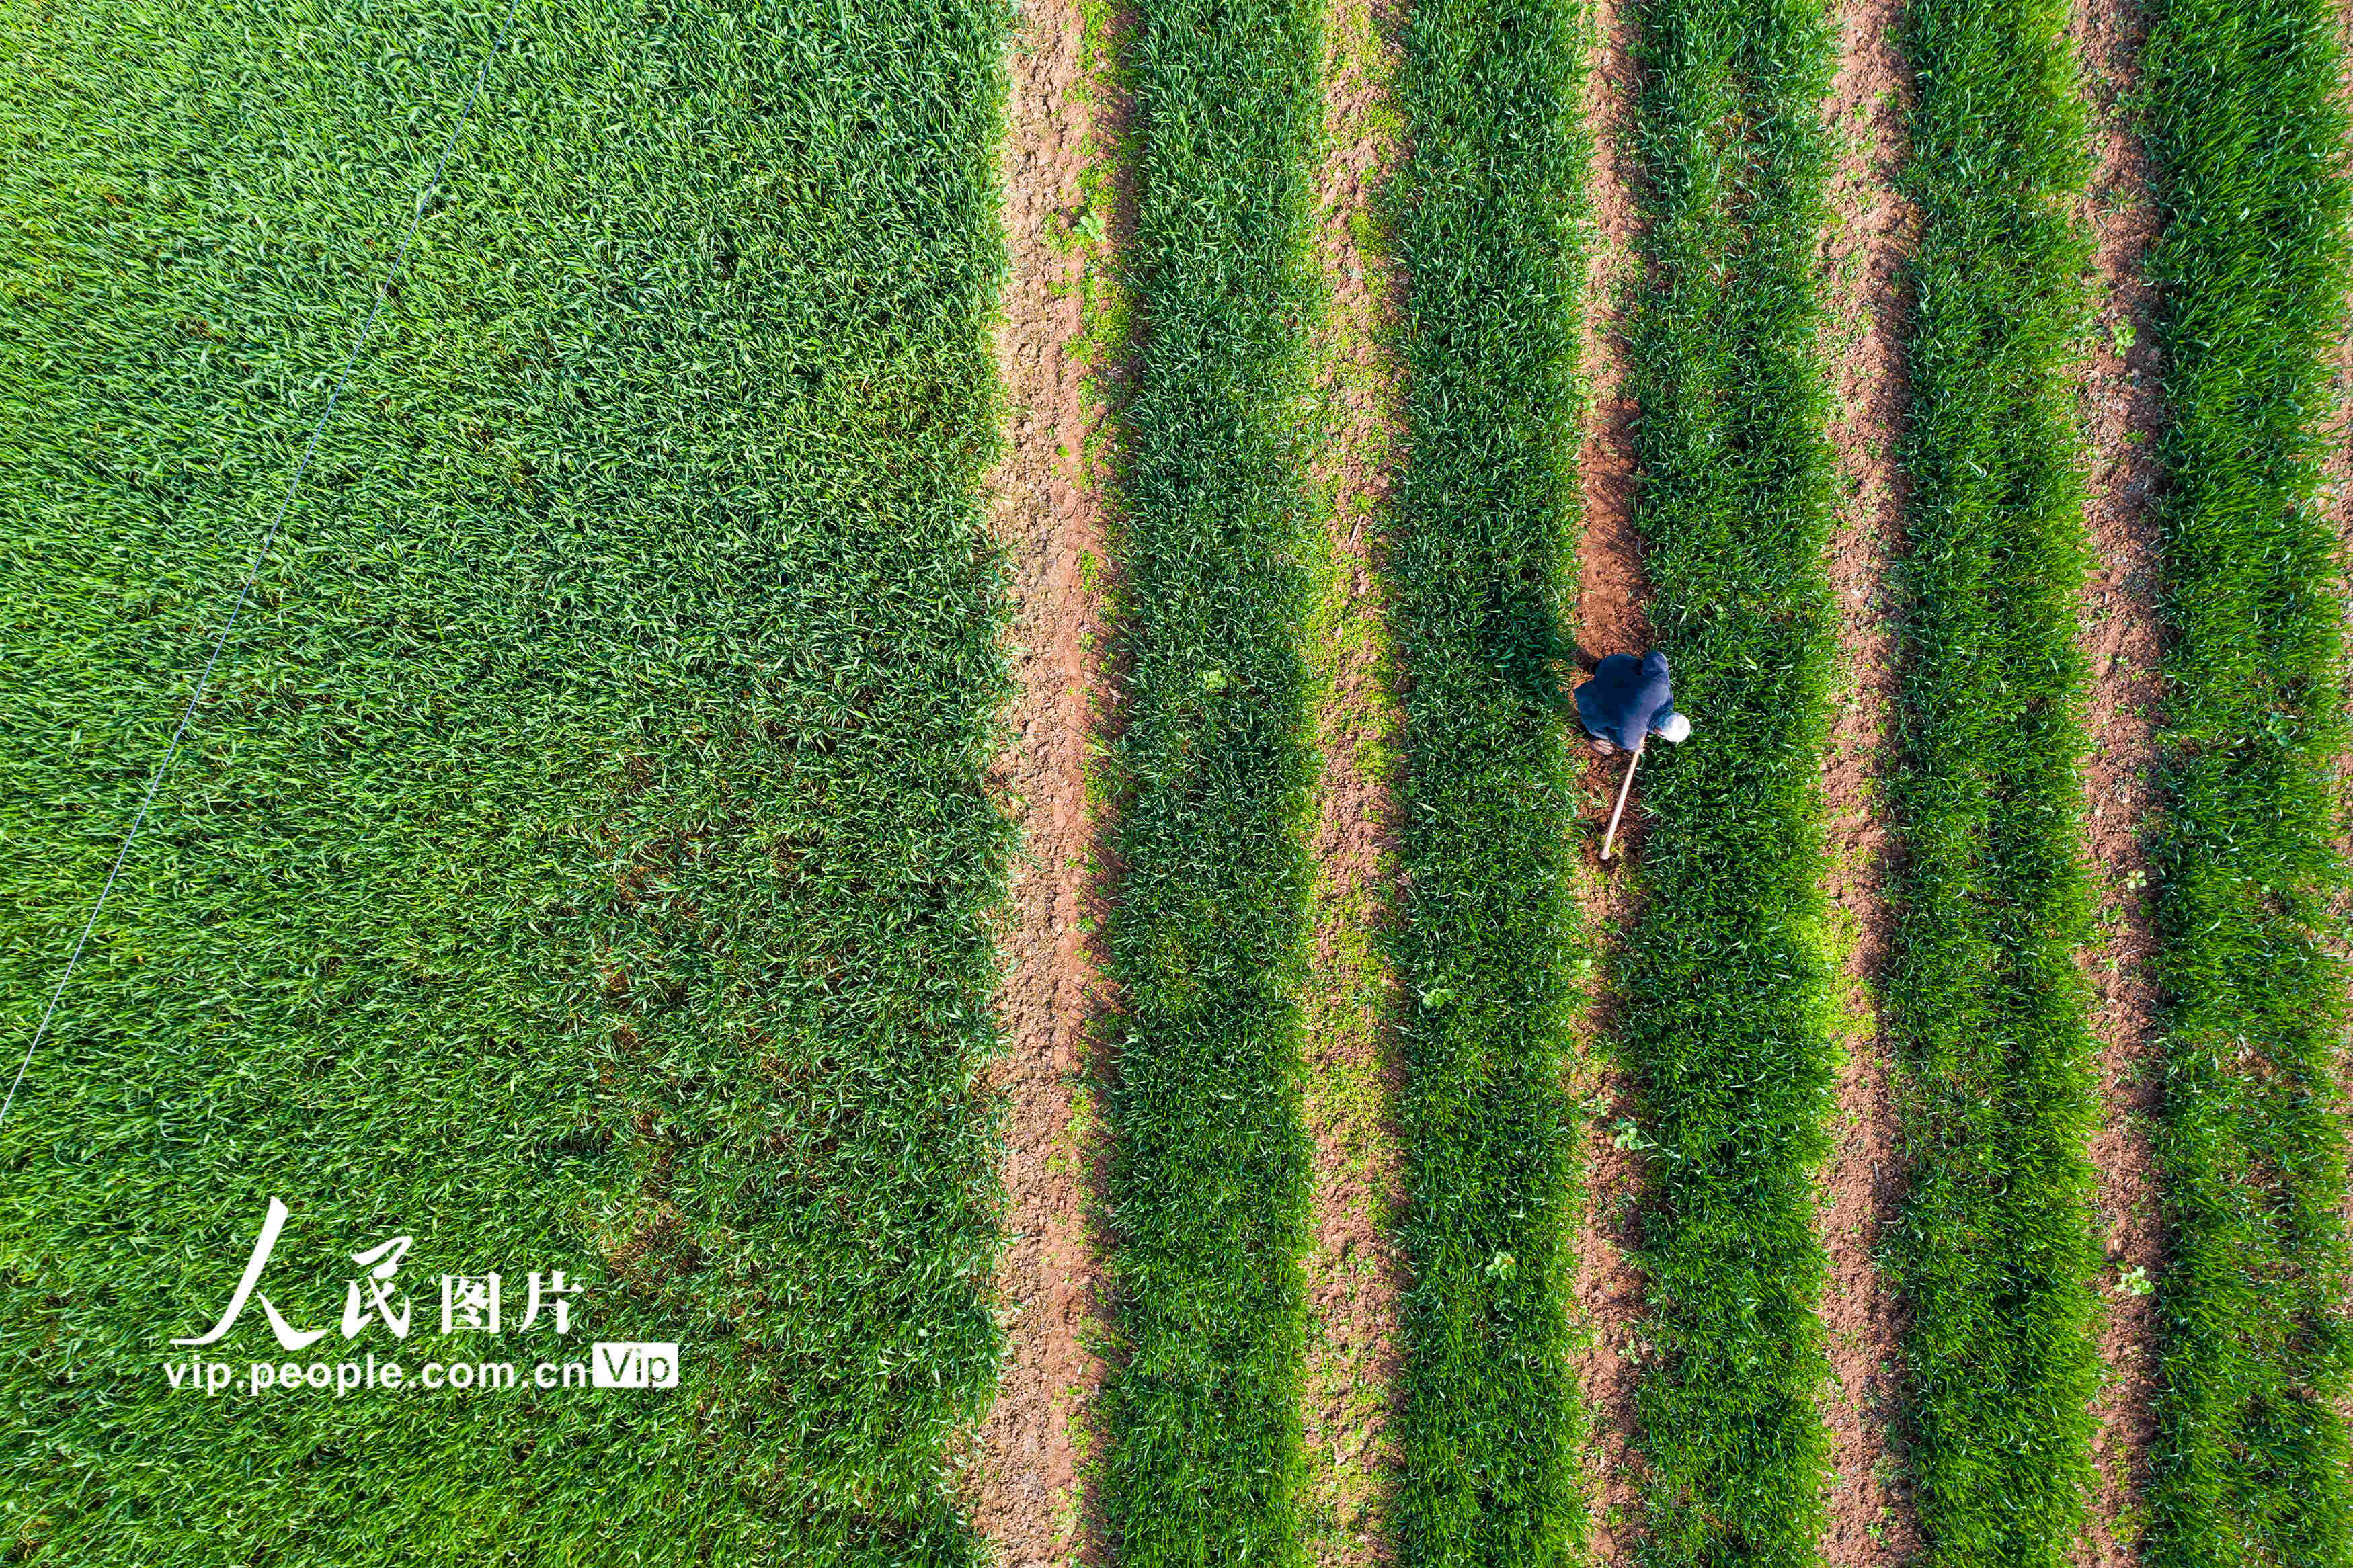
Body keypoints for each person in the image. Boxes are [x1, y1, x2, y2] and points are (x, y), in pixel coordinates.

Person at [1574, 649, 1691, 755]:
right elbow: (1625, 742)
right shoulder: (1631, 737)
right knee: (1606, 733)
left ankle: (1596, 667)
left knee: (1630, 668)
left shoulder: (1661, 686)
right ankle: (1592, 735)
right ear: (1660, 732)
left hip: (1610, 668)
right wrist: (1637, 747)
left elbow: (1655, 656)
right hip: (1587, 699)